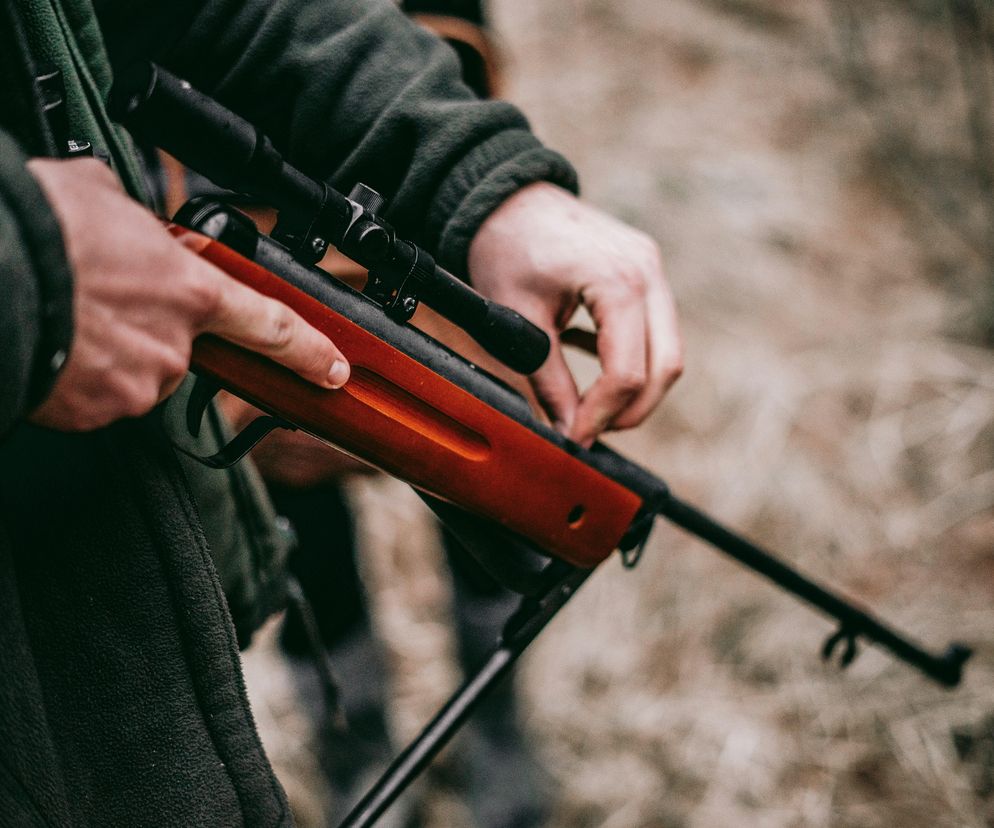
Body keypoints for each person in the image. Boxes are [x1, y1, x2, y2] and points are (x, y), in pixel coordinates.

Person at [0, 0, 682, 825]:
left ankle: (498, 714)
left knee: (495, 448)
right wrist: (32, 268)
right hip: (199, 209)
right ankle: (353, 739)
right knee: (293, 466)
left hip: (379, 140)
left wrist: (480, 176)